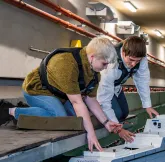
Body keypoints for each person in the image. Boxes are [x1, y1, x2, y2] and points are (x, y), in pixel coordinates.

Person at [0, 37, 128, 152]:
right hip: (37, 91)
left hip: (60, 96)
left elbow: (91, 100)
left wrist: (107, 122)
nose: (105, 68)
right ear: (93, 56)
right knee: (60, 118)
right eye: (104, 64)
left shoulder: (94, 72)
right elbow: (77, 102)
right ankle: (11, 111)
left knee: (75, 120)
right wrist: (91, 134)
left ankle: (35, 110)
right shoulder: (67, 63)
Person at [97, 36, 159, 138]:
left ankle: (114, 122)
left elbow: (142, 81)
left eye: (137, 61)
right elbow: (104, 99)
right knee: (116, 112)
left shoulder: (141, 58)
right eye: (131, 60)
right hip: (102, 87)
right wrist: (119, 130)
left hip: (117, 87)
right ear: (123, 52)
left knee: (124, 112)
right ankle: (98, 117)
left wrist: (147, 105)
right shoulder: (111, 63)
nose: (134, 64)